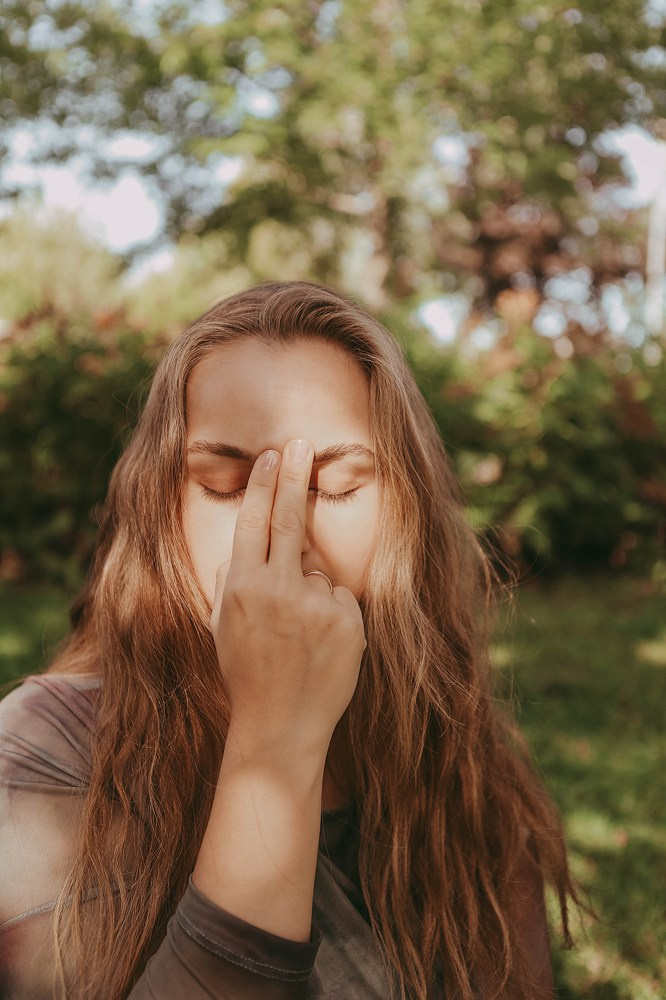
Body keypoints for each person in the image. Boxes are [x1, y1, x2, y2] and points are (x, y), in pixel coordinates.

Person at [0, 281, 577, 999]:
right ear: (161, 509)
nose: (284, 533)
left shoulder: (459, 766)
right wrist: (275, 741)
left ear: (405, 515)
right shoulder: (40, 753)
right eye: (224, 482)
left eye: (334, 486)